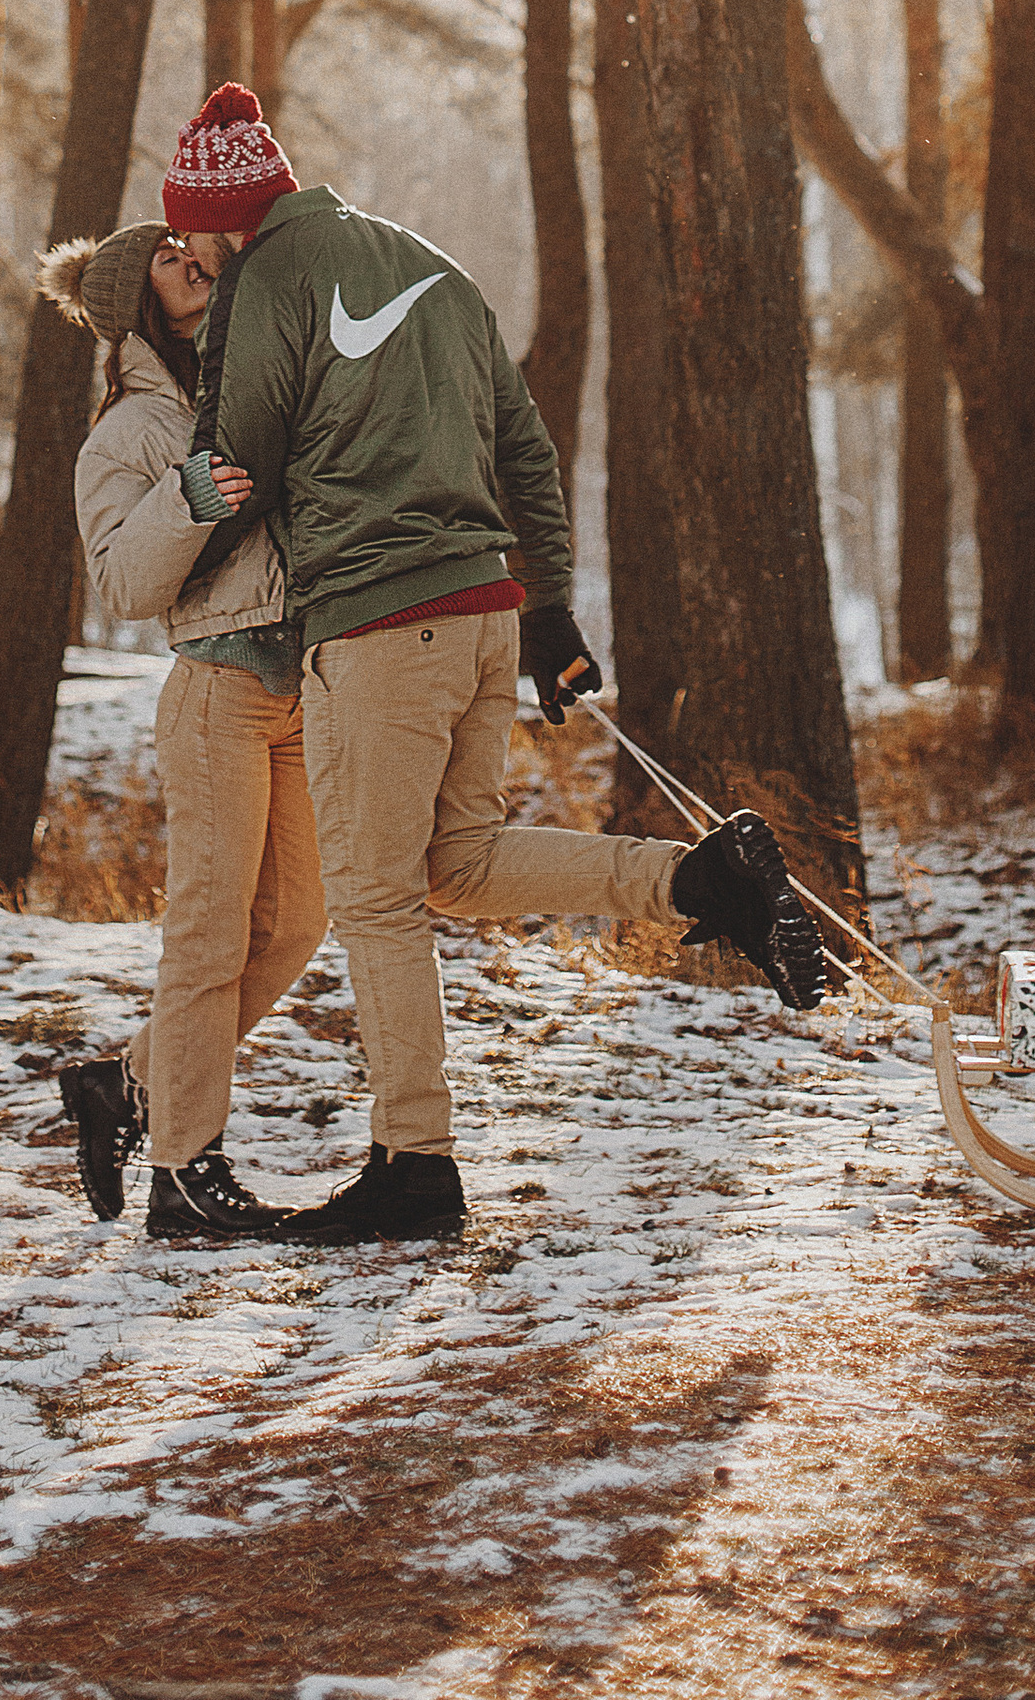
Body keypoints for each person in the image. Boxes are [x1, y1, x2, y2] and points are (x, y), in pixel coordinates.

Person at [160, 81, 825, 1248]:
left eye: (194, 232)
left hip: (376, 627)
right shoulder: (431, 264)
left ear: (223, 217)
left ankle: (414, 1163)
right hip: (480, 612)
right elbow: (526, 446)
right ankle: (695, 883)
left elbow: (241, 458)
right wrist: (553, 609)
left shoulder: (269, 277)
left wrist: (197, 435)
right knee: (452, 866)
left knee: (373, 897)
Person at [43, 219, 324, 1244]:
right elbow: (121, 582)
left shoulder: (263, 377)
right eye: (165, 256)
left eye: (193, 246)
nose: (191, 258)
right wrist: (191, 497)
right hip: (215, 693)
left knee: (293, 928)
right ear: (135, 302)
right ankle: (185, 1174)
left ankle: (122, 1082)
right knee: (207, 939)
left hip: (304, 691)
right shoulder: (127, 434)